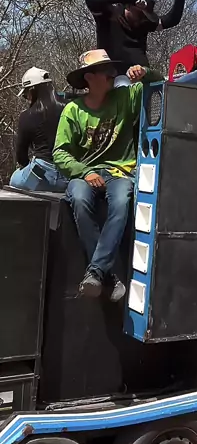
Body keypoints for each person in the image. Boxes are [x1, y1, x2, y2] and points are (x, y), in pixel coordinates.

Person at [53, 49, 163, 301]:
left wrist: (145, 72)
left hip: (119, 172)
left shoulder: (125, 97)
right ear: (89, 77)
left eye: (113, 69)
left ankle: (96, 272)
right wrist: (85, 172)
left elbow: (158, 84)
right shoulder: (72, 110)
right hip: (85, 173)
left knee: (122, 200)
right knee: (78, 198)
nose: (113, 74)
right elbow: (60, 153)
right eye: (106, 71)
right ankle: (108, 276)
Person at [85, 0, 187, 86]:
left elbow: (171, 20)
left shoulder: (145, 22)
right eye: (139, 14)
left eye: (146, 16)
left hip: (139, 79)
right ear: (128, 7)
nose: (142, 19)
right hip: (111, 80)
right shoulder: (110, 15)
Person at [10, 67, 68, 192]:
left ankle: (35, 189)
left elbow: (21, 157)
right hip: (68, 175)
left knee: (14, 178)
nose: (26, 98)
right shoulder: (70, 108)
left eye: (25, 94)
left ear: (32, 90)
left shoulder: (27, 115)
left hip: (42, 176)